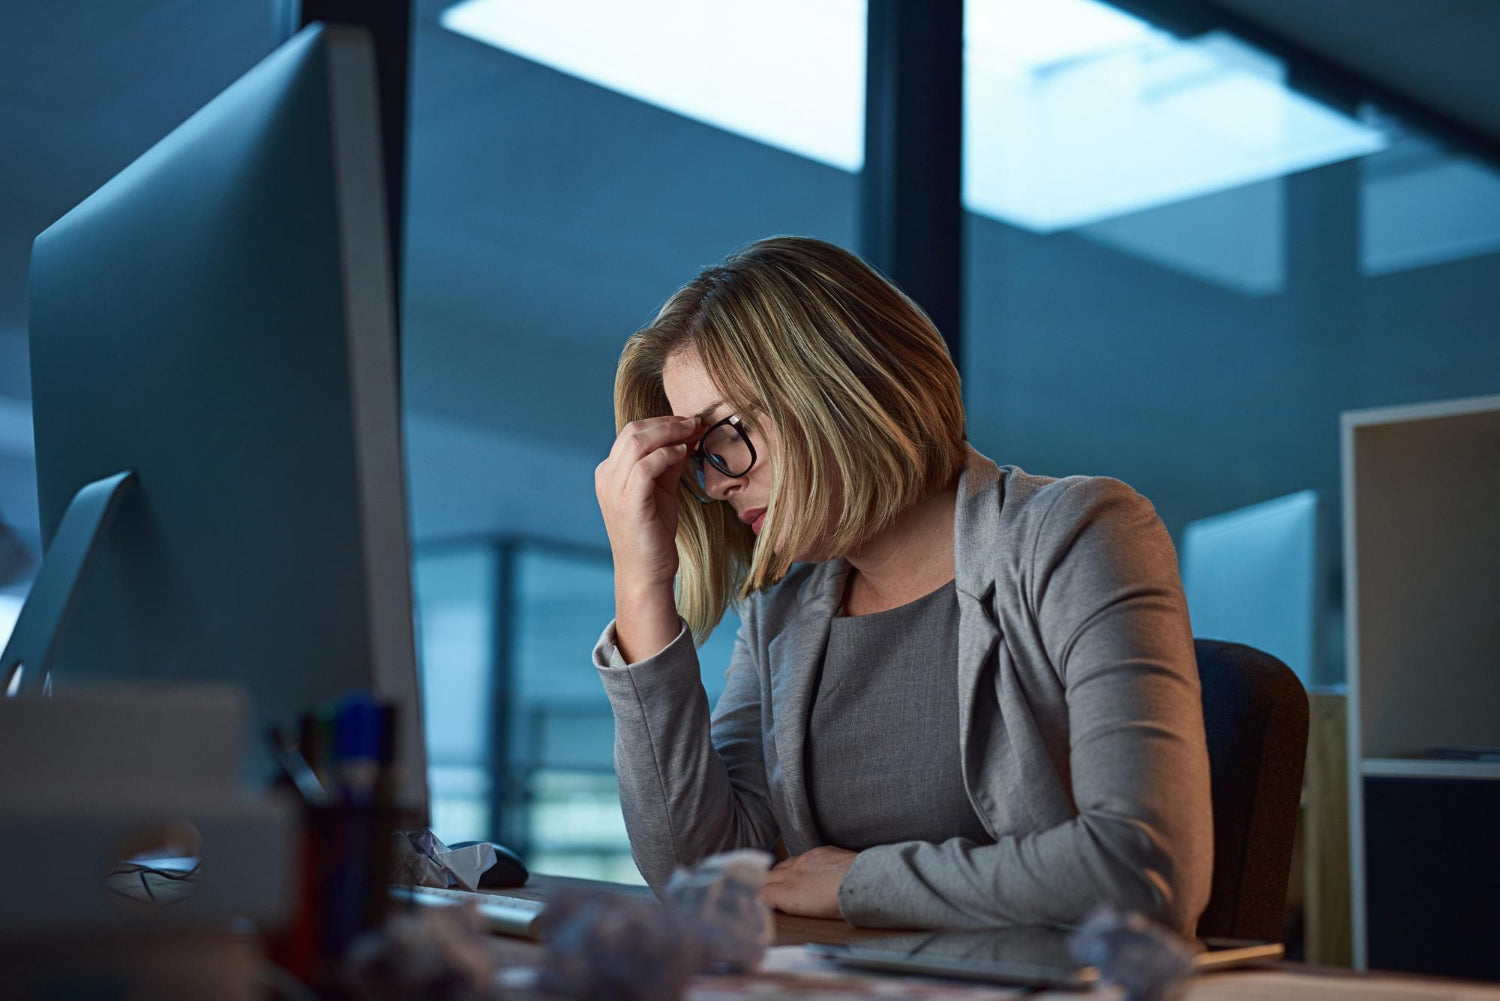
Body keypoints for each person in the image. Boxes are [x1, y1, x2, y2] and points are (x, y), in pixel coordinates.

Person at [591, 236, 1213, 933]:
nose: (717, 481)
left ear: (834, 381)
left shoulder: (1076, 533)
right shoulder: (780, 611)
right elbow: (699, 873)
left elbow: (1143, 866)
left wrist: (861, 881)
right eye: (700, 459)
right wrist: (642, 583)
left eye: (726, 434)